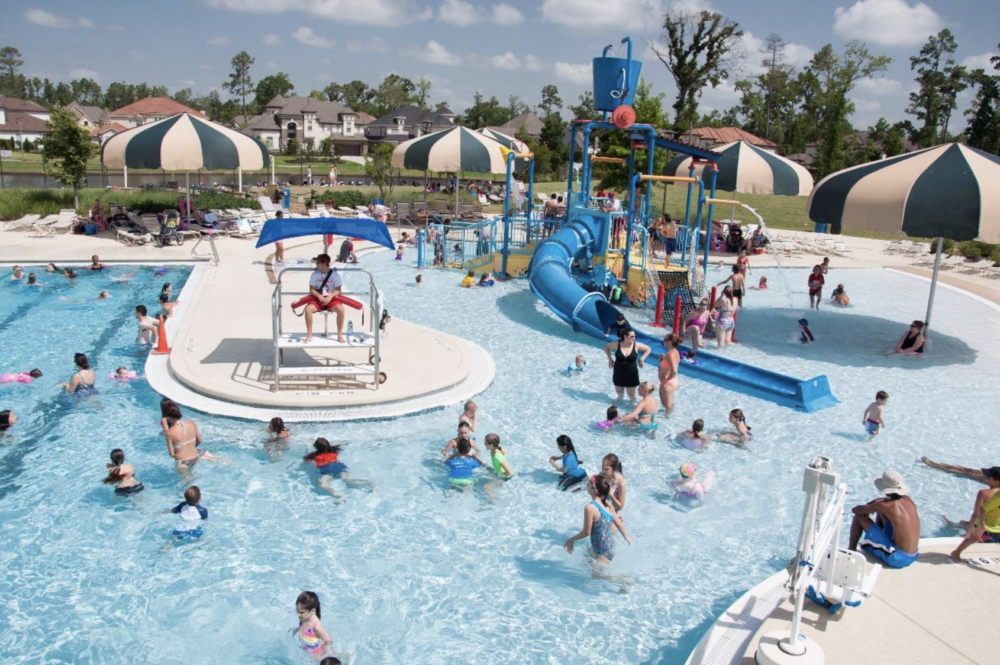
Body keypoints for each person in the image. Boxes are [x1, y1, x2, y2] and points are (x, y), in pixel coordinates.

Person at [849, 470, 920, 569]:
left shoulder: (885, 506)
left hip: (898, 558)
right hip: (914, 554)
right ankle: (878, 539)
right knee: (882, 511)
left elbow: (856, 510)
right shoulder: (908, 500)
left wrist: (873, 505)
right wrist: (877, 504)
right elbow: (885, 505)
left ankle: (850, 552)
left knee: (858, 518)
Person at [563, 474, 632, 566]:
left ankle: (624, 580)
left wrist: (571, 540)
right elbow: (618, 523)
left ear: (594, 490)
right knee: (588, 559)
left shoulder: (590, 507)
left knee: (597, 577)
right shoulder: (607, 503)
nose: (587, 485)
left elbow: (586, 533)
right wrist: (626, 536)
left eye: (589, 483)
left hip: (602, 553)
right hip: (609, 547)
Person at [944, 466, 1000, 562]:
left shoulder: (984, 493)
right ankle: (956, 552)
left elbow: (975, 513)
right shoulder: (991, 494)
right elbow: (979, 512)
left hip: (988, 525)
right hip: (983, 525)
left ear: (997, 481)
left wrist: (969, 531)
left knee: (972, 535)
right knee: (973, 538)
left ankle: (962, 524)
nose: (984, 477)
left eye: (987, 477)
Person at [161, 402, 228, 470]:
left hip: (183, 462)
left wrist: (166, 427)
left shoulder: (169, 433)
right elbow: (200, 440)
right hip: (197, 455)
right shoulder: (192, 423)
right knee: (223, 461)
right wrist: (189, 447)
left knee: (188, 480)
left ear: (167, 417)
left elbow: (172, 454)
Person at [303, 254, 346, 343]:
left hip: (331, 299)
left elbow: (338, 290)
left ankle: (339, 335)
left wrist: (330, 297)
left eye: (318, 263)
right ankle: (309, 334)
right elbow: (311, 290)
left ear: (324, 264)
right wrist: (319, 296)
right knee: (308, 309)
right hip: (318, 299)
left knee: (341, 310)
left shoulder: (335, 275)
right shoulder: (314, 275)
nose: (316, 265)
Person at [604, 329, 651, 401]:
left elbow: (648, 349)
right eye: (632, 336)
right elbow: (607, 347)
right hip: (618, 373)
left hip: (632, 374)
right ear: (625, 336)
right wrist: (610, 359)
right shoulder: (617, 344)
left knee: (631, 395)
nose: (634, 338)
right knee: (619, 393)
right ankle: (620, 402)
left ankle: (631, 405)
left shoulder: (636, 345)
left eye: (634, 336)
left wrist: (642, 359)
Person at [294, 591, 332, 657]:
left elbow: (328, 641)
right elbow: (302, 627)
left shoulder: (316, 627)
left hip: (314, 654)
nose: (298, 615)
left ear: (312, 611)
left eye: (301, 612)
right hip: (305, 648)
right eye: (297, 611)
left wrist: (321, 652)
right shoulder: (304, 618)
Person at [658, 335, 682, 414]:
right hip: (671, 381)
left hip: (668, 382)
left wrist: (666, 380)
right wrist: (662, 360)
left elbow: (674, 370)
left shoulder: (671, 354)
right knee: (668, 406)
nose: (663, 341)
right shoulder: (674, 352)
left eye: (665, 340)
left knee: (667, 407)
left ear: (669, 342)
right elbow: (668, 366)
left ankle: (667, 420)